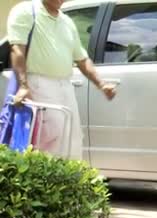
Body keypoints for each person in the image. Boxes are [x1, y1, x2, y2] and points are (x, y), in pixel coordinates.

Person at [7, 0, 116, 160]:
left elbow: (81, 59)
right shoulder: (26, 11)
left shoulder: (67, 21)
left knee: (72, 137)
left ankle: (69, 183)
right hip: (38, 83)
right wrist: (23, 86)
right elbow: (17, 49)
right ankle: (46, 183)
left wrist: (102, 84)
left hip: (65, 85)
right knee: (51, 137)